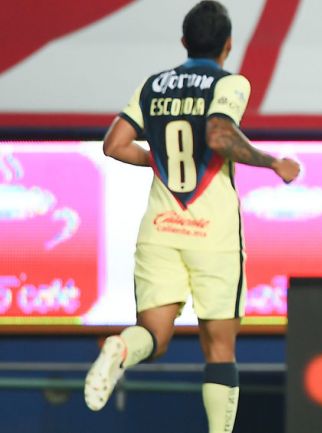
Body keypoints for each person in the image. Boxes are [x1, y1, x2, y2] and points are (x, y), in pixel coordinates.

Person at [83, 2, 300, 433]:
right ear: (228, 44)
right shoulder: (230, 82)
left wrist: (157, 159)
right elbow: (218, 133)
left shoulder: (154, 85)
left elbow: (113, 145)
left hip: (161, 227)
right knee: (219, 348)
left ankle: (120, 349)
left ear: (184, 42)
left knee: (155, 336)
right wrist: (271, 162)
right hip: (212, 233)